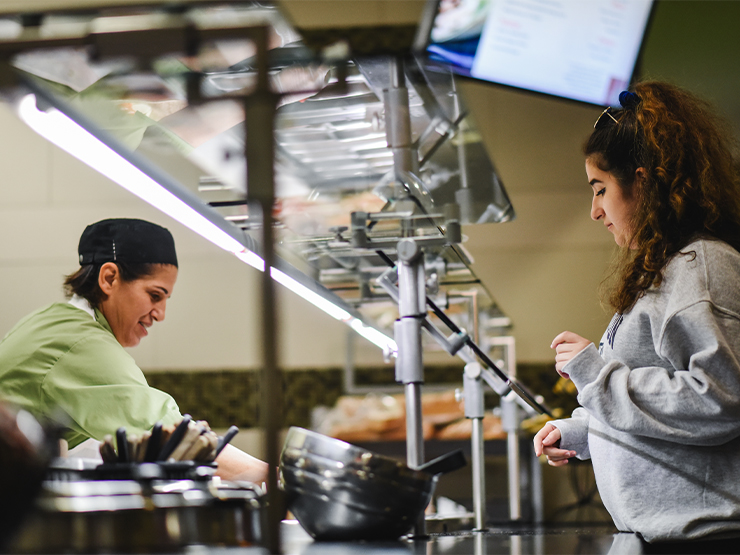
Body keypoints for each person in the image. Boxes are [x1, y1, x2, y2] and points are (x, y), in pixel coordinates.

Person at [533, 82, 740, 545]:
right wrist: (582, 433)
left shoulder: (701, 267)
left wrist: (595, 375)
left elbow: (721, 399)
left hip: (709, 539)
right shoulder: (666, 271)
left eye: (600, 189)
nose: (595, 211)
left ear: (643, 181)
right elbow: (662, 408)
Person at [0, 218, 268, 484]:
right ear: (109, 278)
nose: (161, 314)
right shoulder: (79, 345)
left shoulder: (54, 321)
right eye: (155, 295)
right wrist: (277, 480)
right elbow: (174, 440)